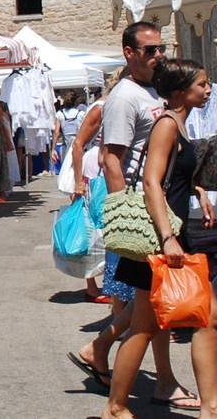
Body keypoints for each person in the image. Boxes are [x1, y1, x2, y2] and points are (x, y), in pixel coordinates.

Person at [69, 21, 199, 411]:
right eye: (150, 50)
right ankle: (120, 364)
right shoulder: (125, 97)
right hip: (142, 207)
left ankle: (149, 373)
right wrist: (124, 211)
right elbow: (113, 158)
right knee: (148, 302)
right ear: (129, 53)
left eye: (161, 48)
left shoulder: (148, 92)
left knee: (150, 301)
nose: (158, 55)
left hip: (157, 204)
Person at [103, 59, 217, 419]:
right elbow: (151, 180)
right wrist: (167, 238)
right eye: (202, 84)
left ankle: (211, 405)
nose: (208, 90)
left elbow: (171, 175)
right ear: (180, 91)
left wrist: (196, 188)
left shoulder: (178, 122)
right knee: (146, 326)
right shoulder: (167, 124)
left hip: (176, 231)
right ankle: (116, 407)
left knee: (207, 317)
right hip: (164, 236)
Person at [69, 70, 124, 305]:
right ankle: (92, 285)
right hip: (96, 170)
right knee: (95, 227)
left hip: (107, 167)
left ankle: (104, 284)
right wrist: (78, 180)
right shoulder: (101, 108)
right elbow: (78, 144)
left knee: (103, 226)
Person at [51, 89, 85, 168]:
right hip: (79, 144)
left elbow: (56, 132)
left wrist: (53, 149)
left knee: (66, 169)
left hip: (65, 145)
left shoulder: (60, 113)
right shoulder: (81, 113)